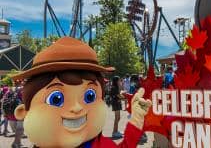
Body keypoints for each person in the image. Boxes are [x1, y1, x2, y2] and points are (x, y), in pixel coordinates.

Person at [11, 37, 152, 147]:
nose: (77, 107)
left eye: (90, 96)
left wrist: (136, 119)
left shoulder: (98, 145)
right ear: (23, 112)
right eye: (56, 98)